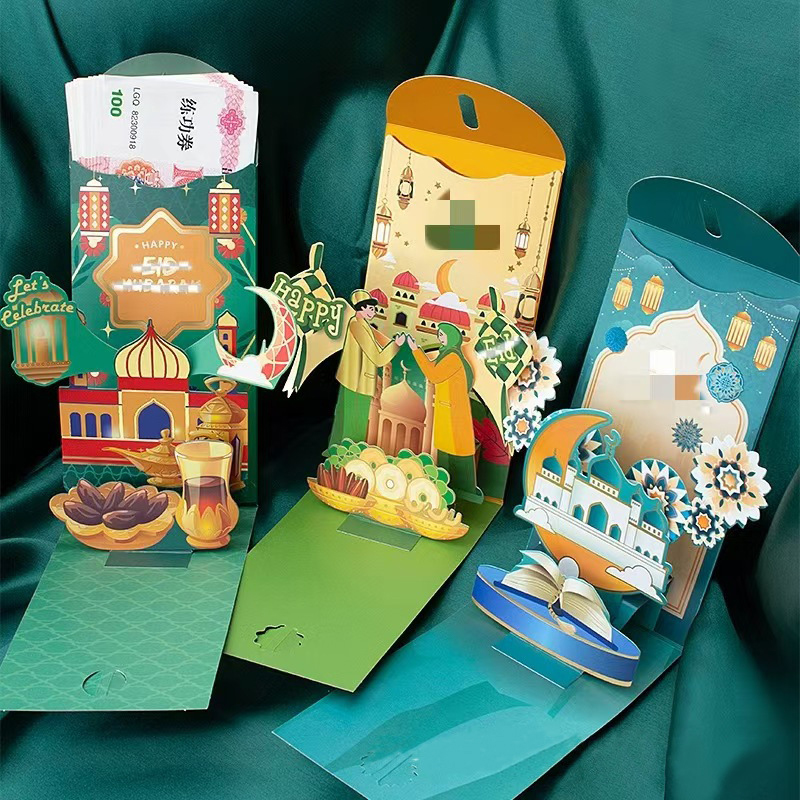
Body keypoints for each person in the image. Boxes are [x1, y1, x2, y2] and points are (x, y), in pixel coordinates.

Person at [406, 323, 483, 503]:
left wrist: (416, 350)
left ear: (452, 337)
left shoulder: (453, 358)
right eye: (439, 334)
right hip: (448, 409)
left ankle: (462, 489)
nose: (440, 338)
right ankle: (449, 486)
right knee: (447, 448)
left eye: (443, 335)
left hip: (453, 412)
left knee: (456, 448)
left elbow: (433, 375)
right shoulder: (447, 354)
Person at [330, 289, 403, 445]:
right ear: (361, 308)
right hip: (358, 382)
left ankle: (336, 448)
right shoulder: (358, 326)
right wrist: (395, 345)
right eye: (370, 308)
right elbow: (377, 358)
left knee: (344, 417)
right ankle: (347, 451)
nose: (374, 311)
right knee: (355, 420)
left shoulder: (361, 324)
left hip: (351, 379)